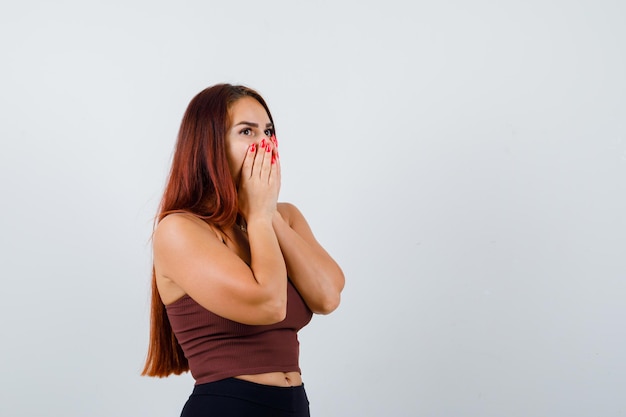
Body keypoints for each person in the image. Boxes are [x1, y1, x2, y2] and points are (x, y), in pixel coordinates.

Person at [142, 83, 345, 417]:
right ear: (210, 145)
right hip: (227, 406)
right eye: (247, 131)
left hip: (294, 407)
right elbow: (268, 303)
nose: (263, 142)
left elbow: (327, 296)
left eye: (268, 130)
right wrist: (261, 219)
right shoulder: (180, 229)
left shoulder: (285, 217)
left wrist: (266, 215)